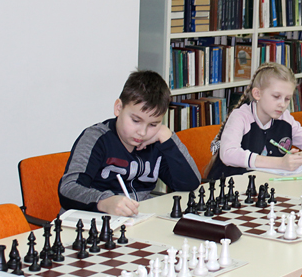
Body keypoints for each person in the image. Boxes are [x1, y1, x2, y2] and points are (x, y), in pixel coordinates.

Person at [58, 70, 201, 217]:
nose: (142, 132)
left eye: (153, 124)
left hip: (138, 220)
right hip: (94, 221)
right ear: (118, 108)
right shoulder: (96, 138)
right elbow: (68, 189)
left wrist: (168, 138)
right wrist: (104, 202)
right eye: (136, 121)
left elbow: (190, 184)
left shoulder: (157, 142)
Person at [207, 62, 302, 180]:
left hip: (265, 183)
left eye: (287, 99)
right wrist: (280, 163)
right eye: (276, 96)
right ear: (257, 94)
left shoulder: (285, 119)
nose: (282, 104)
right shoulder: (240, 116)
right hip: (229, 184)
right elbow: (228, 154)